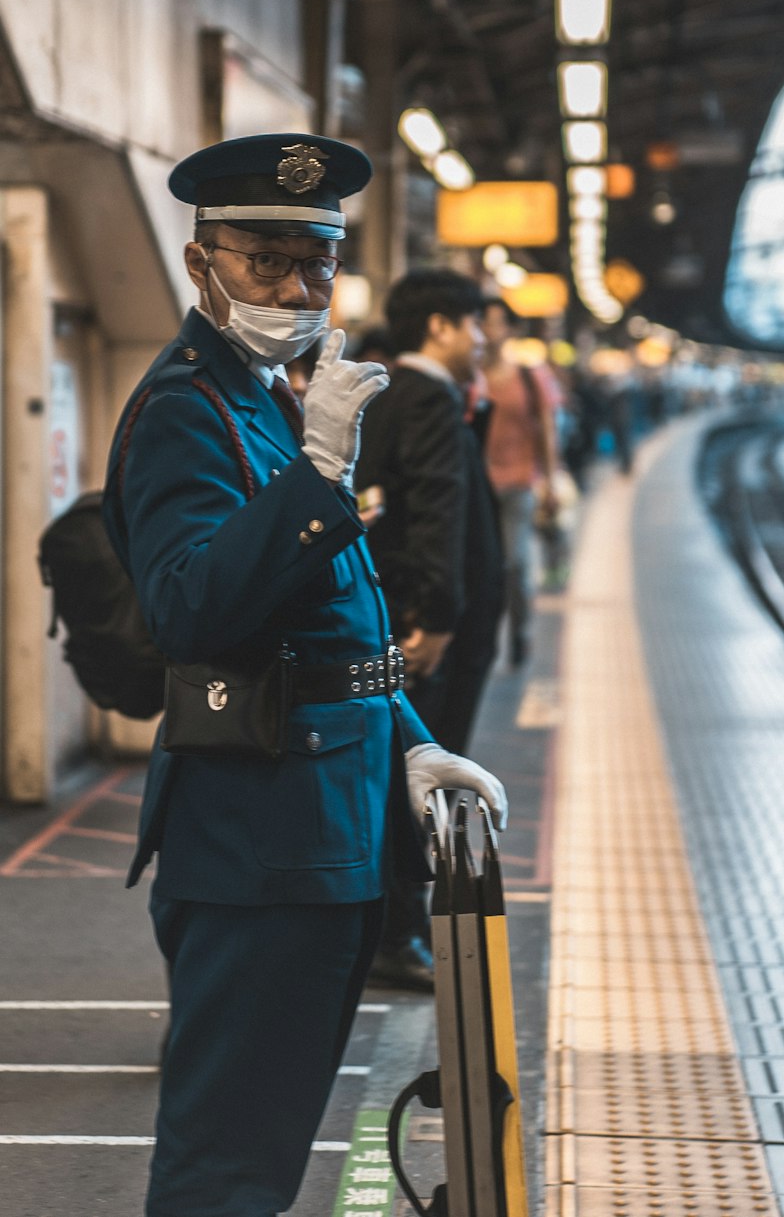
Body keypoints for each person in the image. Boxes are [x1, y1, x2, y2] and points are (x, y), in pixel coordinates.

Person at [102, 133, 507, 1217]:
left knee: (269, 1146)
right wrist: (321, 473)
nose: (296, 285)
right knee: (227, 1161)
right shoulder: (186, 408)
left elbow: (332, 622)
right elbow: (191, 607)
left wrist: (411, 739)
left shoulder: (272, 394)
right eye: (264, 259)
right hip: (255, 836)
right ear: (202, 265)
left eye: (316, 262)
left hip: (322, 822)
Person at [355, 268, 505, 989]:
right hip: (432, 635)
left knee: (401, 779)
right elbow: (438, 512)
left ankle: (393, 925)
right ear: (441, 325)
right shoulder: (428, 402)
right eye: (475, 325)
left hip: (401, 620)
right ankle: (399, 932)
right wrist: (439, 617)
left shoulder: (392, 396)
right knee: (426, 781)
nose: (482, 340)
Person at [481, 298, 560, 666]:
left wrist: (551, 482)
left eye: (497, 323)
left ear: (511, 330)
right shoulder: (472, 375)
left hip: (519, 482)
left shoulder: (530, 376)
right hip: (480, 485)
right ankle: (485, 637)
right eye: (483, 322)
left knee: (515, 562)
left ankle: (521, 631)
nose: (488, 330)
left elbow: (546, 430)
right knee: (484, 566)